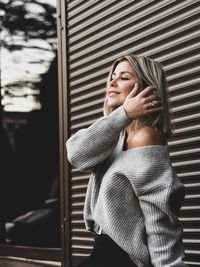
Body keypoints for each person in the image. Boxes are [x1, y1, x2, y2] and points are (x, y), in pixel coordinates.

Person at [66, 54, 187, 267]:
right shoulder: (117, 136)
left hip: (120, 258)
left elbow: (160, 218)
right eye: (112, 77)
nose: (112, 82)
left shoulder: (145, 137)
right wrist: (123, 115)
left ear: (146, 89)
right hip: (102, 251)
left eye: (124, 77)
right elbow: (75, 155)